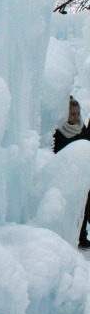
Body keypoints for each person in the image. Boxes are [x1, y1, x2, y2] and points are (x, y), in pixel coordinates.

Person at [53, 96, 90, 249]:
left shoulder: (83, 128)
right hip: (65, 175)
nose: (76, 116)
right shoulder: (58, 132)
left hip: (83, 175)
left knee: (85, 207)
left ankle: (82, 237)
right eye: (72, 113)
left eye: (78, 113)